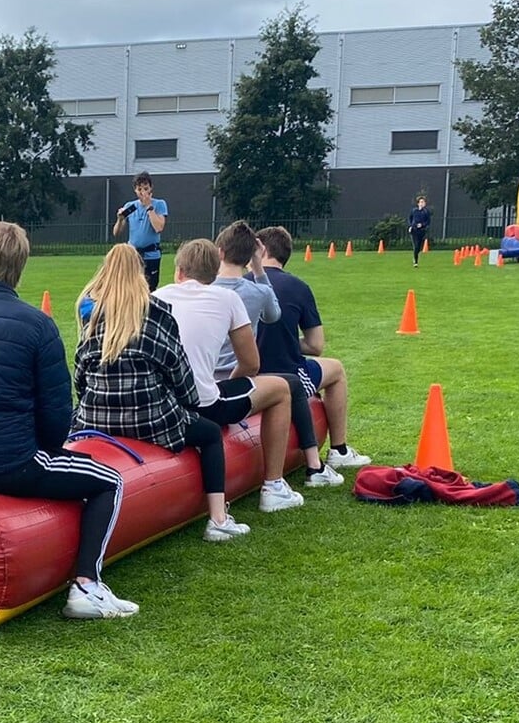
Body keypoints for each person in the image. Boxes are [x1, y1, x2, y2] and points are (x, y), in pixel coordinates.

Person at [0, 221, 137, 620]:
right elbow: (56, 414)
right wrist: (47, 454)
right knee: (111, 480)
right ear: (20, 268)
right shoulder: (38, 325)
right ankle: (86, 585)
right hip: (12, 464)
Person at [74, 244, 251, 536]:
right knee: (208, 434)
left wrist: (88, 405)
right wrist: (188, 404)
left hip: (96, 418)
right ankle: (218, 519)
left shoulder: (92, 317)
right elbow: (178, 371)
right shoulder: (157, 313)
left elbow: (80, 373)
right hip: (149, 420)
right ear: (142, 276)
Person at [153, 238, 299, 497]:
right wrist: (225, 384)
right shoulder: (228, 298)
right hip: (202, 404)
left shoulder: (155, 296)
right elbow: (252, 364)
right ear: (214, 273)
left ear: (179, 272)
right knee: (281, 388)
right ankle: (274, 485)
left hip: (159, 402)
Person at [214, 221, 328, 498]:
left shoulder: (204, 289)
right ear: (251, 255)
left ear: (219, 252)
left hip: (203, 378)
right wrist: (258, 268)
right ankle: (283, 478)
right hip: (236, 380)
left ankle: (310, 466)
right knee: (288, 385)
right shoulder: (257, 291)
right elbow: (273, 315)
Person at [254, 226, 370, 478]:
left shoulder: (237, 285)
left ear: (260, 250)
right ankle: (338, 450)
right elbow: (316, 345)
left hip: (245, 375)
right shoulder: (298, 287)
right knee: (336, 369)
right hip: (285, 372)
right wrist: (286, 341)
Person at [112, 171, 168, 289]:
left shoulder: (159, 204)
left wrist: (149, 207)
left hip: (151, 255)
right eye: (139, 189)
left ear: (151, 188)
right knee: (130, 287)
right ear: (135, 190)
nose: (143, 192)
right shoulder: (131, 206)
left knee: (150, 288)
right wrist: (120, 219)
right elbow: (116, 233)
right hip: (133, 255)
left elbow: (159, 227)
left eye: (146, 188)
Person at [406, 196, 431, 266]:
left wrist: (422, 225)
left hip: (422, 231)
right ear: (418, 203)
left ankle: (416, 255)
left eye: (423, 202)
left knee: (419, 246)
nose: (422, 203)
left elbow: (428, 221)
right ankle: (415, 261)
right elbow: (410, 218)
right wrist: (411, 226)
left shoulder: (426, 212)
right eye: (421, 202)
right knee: (416, 245)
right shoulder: (414, 211)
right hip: (414, 230)